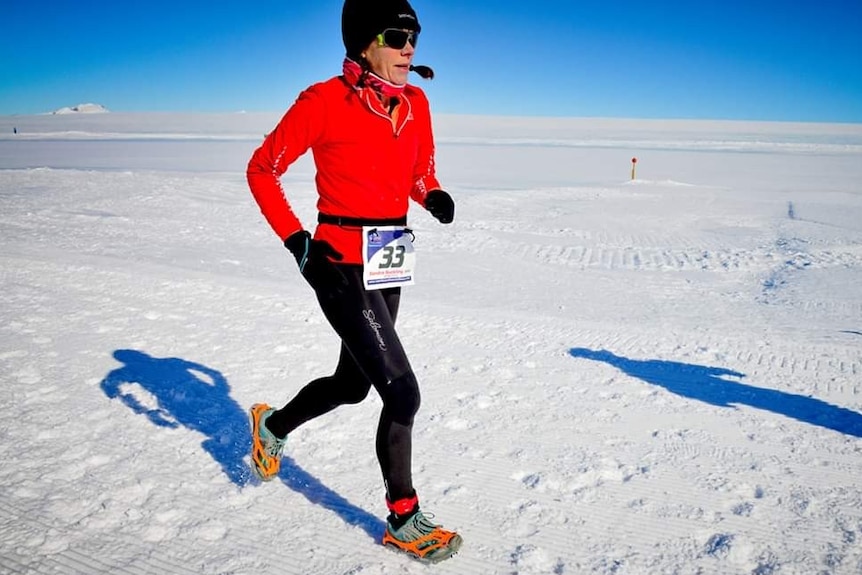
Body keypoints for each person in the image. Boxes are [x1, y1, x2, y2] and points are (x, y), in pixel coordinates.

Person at [245, 0, 461, 563]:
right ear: (365, 43)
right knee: (402, 392)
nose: (409, 46)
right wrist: (299, 244)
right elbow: (262, 169)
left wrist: (429, 194)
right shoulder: (324, 101)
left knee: (353, 384)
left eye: (414, 35)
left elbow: (419, 171)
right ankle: (404, 518)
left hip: (389, 257)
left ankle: (273, 425)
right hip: (338, 265)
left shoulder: (416, 102)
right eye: (396, 35)